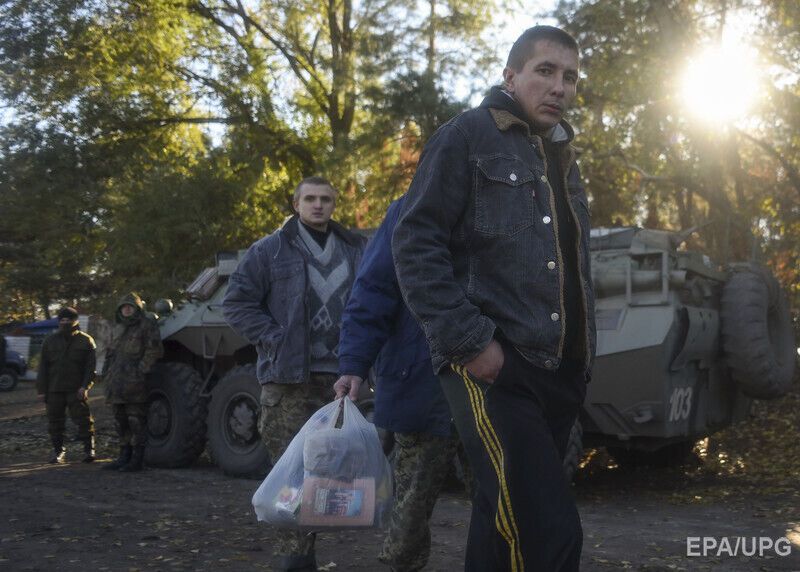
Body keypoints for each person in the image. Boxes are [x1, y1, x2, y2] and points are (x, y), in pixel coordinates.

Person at [392, 25, 596, 572]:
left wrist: (581, 363)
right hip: (496, 365)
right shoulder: (466, 136)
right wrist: (470, 343)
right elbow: (414, 242)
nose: (559, 87)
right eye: (544, 71)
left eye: (570, 77)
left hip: (559, 371)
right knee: (546, 533)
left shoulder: (564, 157)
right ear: (511, 76)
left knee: (501, 523)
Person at [223, 176, 367, 572]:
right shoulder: (270, 249)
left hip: (340, 381)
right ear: (296, 204)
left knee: (330, 473)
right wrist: (274, 337)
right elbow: (236, 302)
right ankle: (296, 560)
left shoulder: (357, 249)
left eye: (325, 199)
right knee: (290, 474)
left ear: (334, 204)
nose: (318, 205)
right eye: (310, 199)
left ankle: (308, 551)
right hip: (288, 380)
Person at [334, 197, 457, 572]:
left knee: (503, 500)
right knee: (411, 505)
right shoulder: (410, 208)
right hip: (420, 379)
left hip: (493, 386)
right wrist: (354, 363)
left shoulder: (508, 198)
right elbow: (373, 291)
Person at [102, 292, 163, 472]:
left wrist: (141, 370)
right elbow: (110, 353)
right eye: (124, 307)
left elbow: (154, 350)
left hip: (135, 384)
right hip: (116, 383)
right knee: (120, 421)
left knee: (136, 421)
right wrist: (106, 373)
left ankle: (137, 459)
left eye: (130, 307)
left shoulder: (146, 325)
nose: (127, 310)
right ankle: (124, 456)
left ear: (137, 308)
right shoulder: (118, 328)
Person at [36, 307, 97, 464]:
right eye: (62, 320)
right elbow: (43, 367)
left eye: (69, 320)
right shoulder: (50, 341)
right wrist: (42, 390)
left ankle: (89, 450)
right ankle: (58, 451)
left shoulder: (86, 340)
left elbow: (90, 368)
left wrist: (85, 386)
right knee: (55, 421)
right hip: (54, 389)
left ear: (75, 321)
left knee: (83, 419)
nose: (65, 323)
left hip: (76, 389)